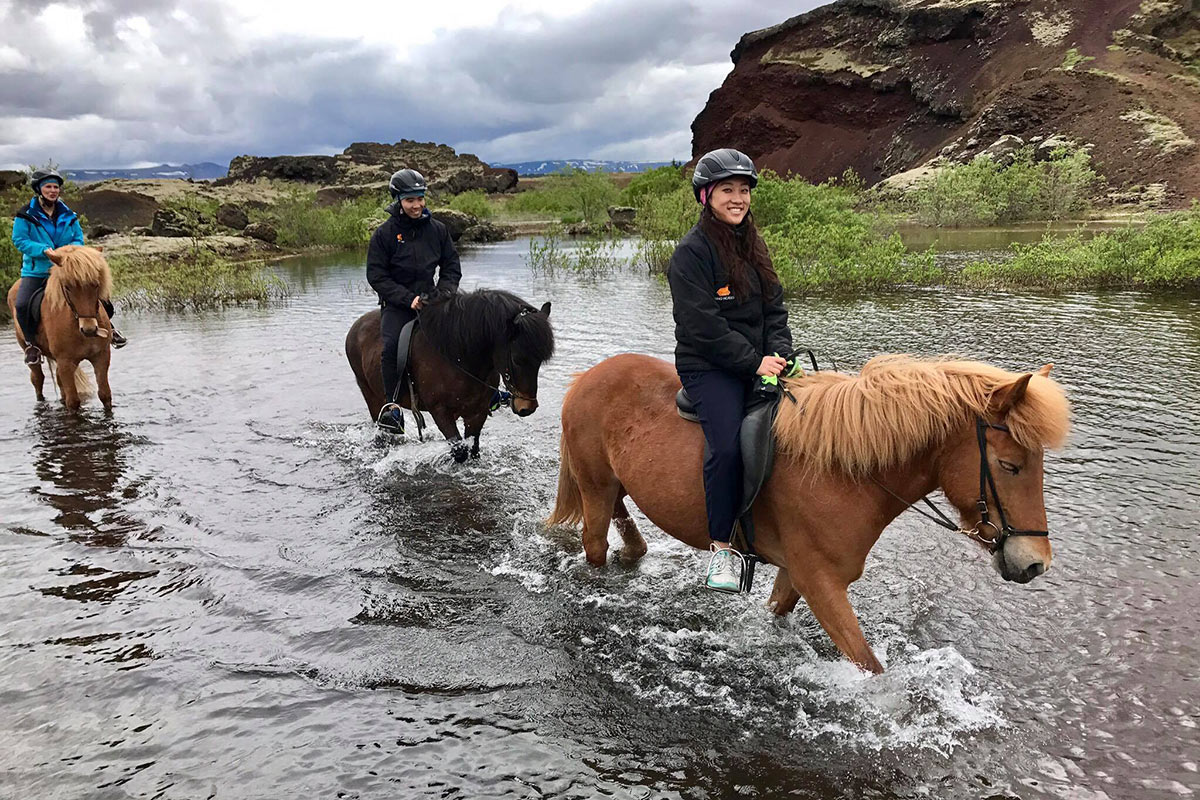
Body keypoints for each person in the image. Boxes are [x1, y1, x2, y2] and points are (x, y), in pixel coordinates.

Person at [666, 148, 793, 592]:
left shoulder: (756, 245)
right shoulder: (690, 254)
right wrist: (753, 361)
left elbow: (774, 309)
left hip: (760, 362)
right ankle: (722, 546)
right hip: (709, 365)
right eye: (727, 190)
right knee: (727, 446)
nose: (737, 198)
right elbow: (703, 327)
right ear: (706, 196)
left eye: (743, 191)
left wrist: (779, 353)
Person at [366, 168, 461, 432]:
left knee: (472, 331)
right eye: (410, 200)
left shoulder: (438, 230)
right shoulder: (384, 235)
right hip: (399, 305)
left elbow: (451, 266)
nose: (417, 205)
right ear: (398, 200)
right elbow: (376, 276)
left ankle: (490, 393)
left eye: (420, 198)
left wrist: (444, 294)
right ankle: (392, 406)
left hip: (436, 301)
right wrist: (409, 299)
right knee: (392, 348)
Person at [11, 169, 127, 365]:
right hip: (37, 270)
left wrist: (71, 253)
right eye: (48, 186)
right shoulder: (25, 215)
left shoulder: (69, 215)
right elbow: (20, 240)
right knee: (22, 304)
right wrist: (45, 251)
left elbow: (77, 239)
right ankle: (32, 345)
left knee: (102, 299)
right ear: (39, 189)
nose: (53, 190)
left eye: (56, 187)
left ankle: (110, 331)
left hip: (68, 269)